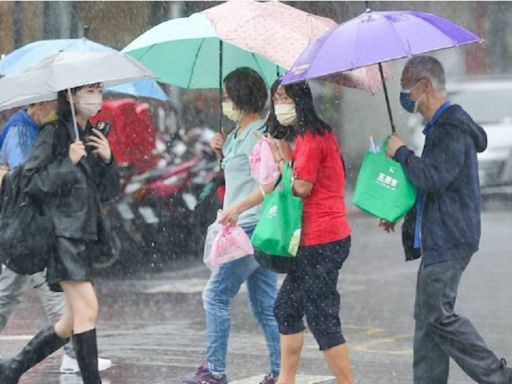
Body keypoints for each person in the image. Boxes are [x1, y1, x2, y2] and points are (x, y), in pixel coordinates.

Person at [383, 55, 512, 384]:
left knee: (438, 316)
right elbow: (433, 189)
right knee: (427, 320)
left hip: (450, 237)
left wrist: (401, 152)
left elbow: (433, 177)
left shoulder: (451, 127)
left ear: (424, 86)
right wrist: (399, 211)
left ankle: (498, 376)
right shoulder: (440, 127)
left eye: (406, 89)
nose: (405, 97)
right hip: (439, 235)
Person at [0, 83, 119, 384]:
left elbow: (105, 193)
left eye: (98, 89)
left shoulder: (90, 135)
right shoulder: (54, 134)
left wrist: (107, 159)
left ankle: (12, 369)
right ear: (71, 96)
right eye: (89, 90)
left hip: (84, 235)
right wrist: (68, 162)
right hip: (61, 237)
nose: (95, 97)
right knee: (88, 309)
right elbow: (31, 183)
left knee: (68, 322)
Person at [180, 67, 280, 384]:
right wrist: (222, 151)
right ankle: (280, 372)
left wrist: (237, 207)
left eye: (227, 97)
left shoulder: (261, 136)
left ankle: (215, 371)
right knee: (264, 305)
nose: (223, 102)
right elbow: (238, 176)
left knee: (215, 296)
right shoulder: (236, 134)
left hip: (251, 227)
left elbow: (269, 183)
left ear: (240, 97)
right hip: (241, 227)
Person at [266, 80, 355, 384]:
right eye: (276, 98)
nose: (279, 104)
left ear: (299, 100)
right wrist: (286, 157)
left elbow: (302, 187)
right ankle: (285, 381)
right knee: (286, 309)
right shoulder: (310, 135)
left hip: (323, 239)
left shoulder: (312, 137)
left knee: (321, 317)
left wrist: (282, 162)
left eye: (283, 97)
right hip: (315, 240)